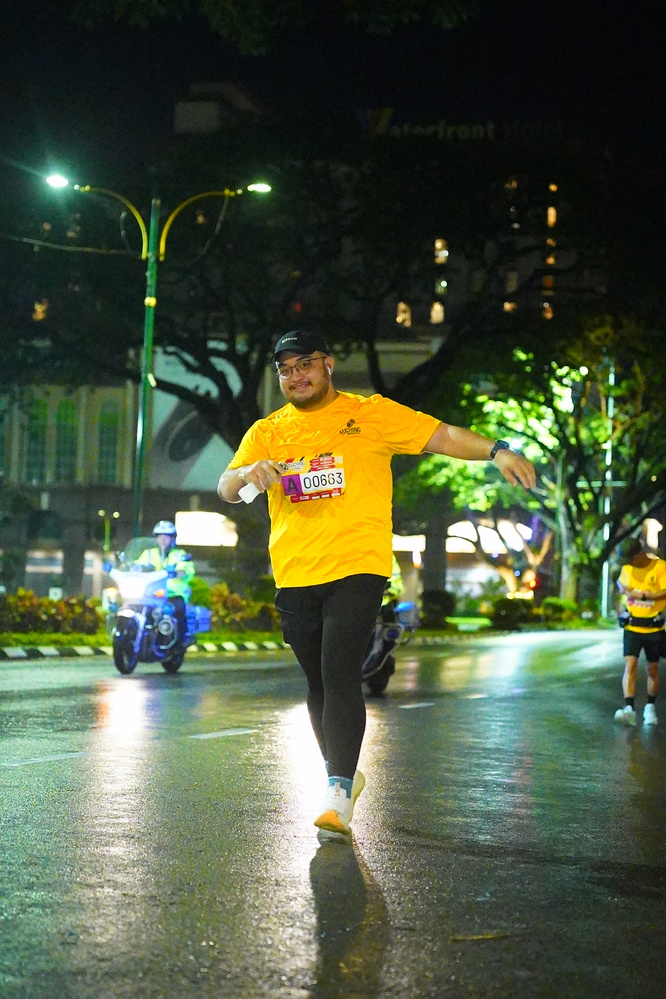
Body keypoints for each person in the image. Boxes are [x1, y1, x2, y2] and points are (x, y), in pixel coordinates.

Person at [217, 330, 536, 836]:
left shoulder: (371, 414)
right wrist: (247, 474)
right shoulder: (267, 431)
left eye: (305, 364)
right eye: (286, 369)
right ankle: (343, 772)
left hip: (358, 567)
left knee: (339, 669)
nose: (296, 376)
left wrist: (498, 450)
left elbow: (443, 436)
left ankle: (337, 790)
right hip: (295, 572)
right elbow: (227, 487)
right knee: (317, 682)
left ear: (328, 364)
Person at [614, 537, 666, 727]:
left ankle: (650, 707)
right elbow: (621, 583)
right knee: (631, 664)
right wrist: (623, 589)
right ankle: (629, 708)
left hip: (653, 627)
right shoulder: (627, 568)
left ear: (639, 554)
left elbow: (664, 591)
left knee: (652, 668)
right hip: (632, 626)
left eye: (630, 559)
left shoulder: (660, 567)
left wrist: (643, 595)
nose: (628, 563)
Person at [139, 521, 196, 640]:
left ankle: (182, 638)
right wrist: (126, 567)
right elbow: (136, 566)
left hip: (173, 593)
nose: (163, 539)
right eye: (160, 536)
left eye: (166, 536)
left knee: (179, 608)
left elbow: (187, 570)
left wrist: (178, 572)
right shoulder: (148, 554)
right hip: (150, 593)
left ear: (172, 538)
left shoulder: (179, 554)